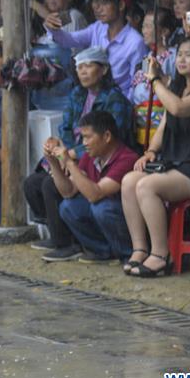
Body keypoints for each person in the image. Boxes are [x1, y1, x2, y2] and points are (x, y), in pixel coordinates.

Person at [121, 37, 190, 277]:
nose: (182, 59)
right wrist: (151, 152)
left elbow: (178, 108)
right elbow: (164, 125)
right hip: (175, 163)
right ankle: (140, 249)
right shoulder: (175, 88)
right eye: (179, 55)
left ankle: (160, 254)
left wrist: (155, 80)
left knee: (147, 186)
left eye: (189, 54)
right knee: (129, 181)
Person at [25, 48, 133, 257]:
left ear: (103, 70)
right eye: (79, 67)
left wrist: (71, 156)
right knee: (33, 183)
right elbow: (66, 129)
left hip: (100, 158)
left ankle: (67, 243)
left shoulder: (115, 99)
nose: (83, 72)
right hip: (76, 154)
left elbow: (106, 139)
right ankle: (62, 236)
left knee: (52, 187)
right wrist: (58, 153)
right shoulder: (77, 94)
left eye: (89, 66)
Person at [45, 110, 139, 263]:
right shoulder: (91, 156)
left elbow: (95, 194)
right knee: (68, 206)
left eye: (88, 137)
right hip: (107, 217)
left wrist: (69, 162)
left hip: (128, 221)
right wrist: (53, 162)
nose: (84, 143)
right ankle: (103, 252)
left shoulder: (127, 158)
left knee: (101, 207)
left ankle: (127, 254)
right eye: (82, 137)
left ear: (107, 136)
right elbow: (68, 192)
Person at [45, 0, 147, 99]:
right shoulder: (98, 28)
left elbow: (137, 85)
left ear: (121, 5)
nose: (98, 7)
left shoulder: (136, 42)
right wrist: (52, 28)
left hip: (119, 104)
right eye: (97, 1)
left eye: (105, 2)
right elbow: (69, 39)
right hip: (94, 99)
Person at [31, 0, 89, 110]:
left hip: (67, 93)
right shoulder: (46, 24)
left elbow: (70, 55)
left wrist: (35, 5)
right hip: (48, 96)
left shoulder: (74, 16)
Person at [131, 8, 177, 148]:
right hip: (141, 129)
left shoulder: (174, 57)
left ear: (164, 31)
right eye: (143, 26)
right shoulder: (146, 58)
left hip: (163, 128)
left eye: (149, 26)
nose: (144, 31)